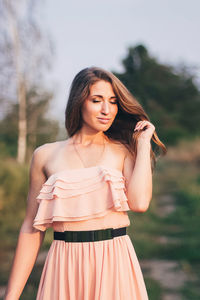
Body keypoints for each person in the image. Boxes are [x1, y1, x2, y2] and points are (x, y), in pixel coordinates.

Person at [4, 66, 167, 300]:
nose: (106, 110)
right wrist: (11, 295)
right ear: (79, 102)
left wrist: (142, 144)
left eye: (112, 102)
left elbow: (140, 203)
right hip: (64, 264)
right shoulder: (45, 155)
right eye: (96, 100)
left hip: (114, 262)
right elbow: (31, 227)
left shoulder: (123, 150)